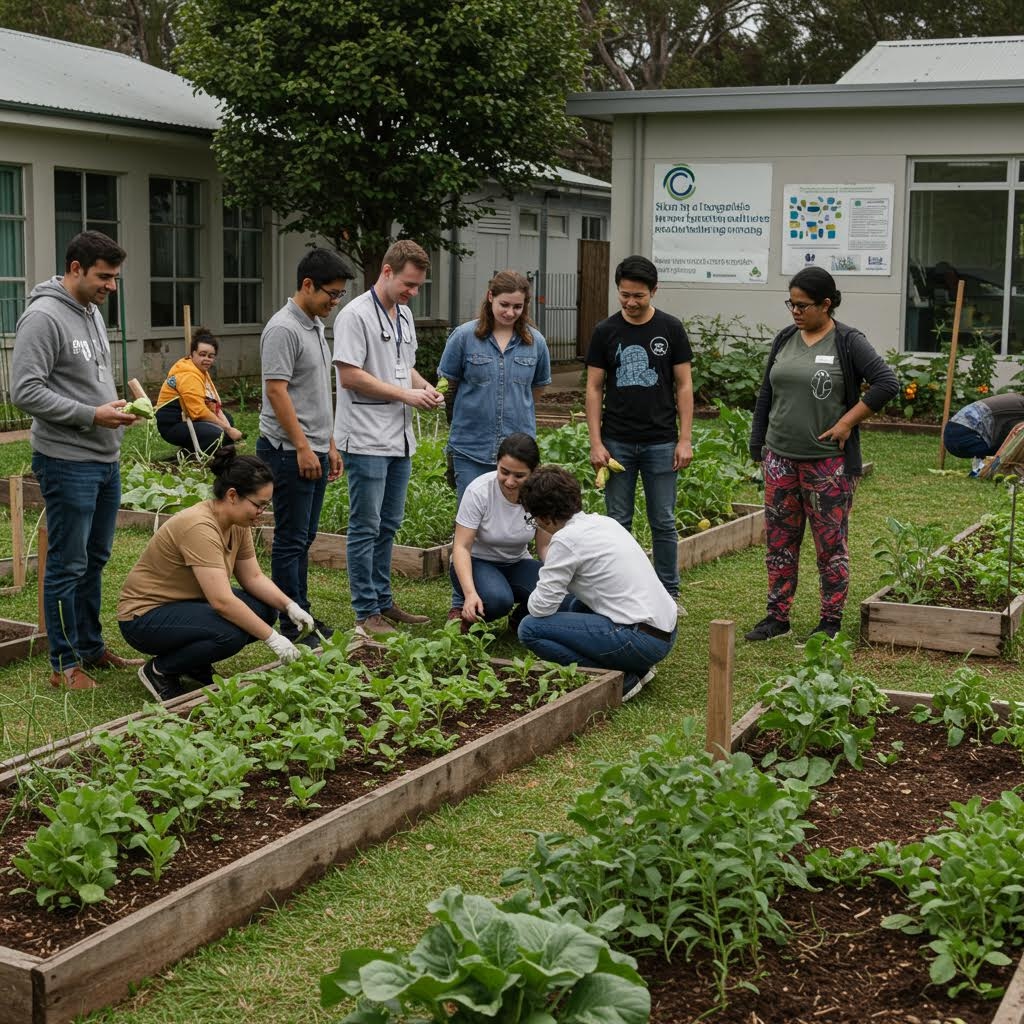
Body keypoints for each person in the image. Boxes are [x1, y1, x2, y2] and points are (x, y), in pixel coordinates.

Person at [11, 230, 143, 690]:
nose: (111, 286)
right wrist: (91, 414)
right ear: (75, 269)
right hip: (67, 460)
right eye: (104, 277)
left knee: (95, 557)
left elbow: (85, 380)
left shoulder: (90, 313)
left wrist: (116, 410)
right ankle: (63, 664)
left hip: (104, 458)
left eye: (114, 278)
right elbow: (24, 390)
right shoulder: (43, 317)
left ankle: (89, 646)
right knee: (68, 563)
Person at [746, 266, 898, 644]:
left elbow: (886, 383)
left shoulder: (848, 341)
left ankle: (830, 620)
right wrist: (758, 442)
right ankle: (777, 617)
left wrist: (847, 422)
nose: (795, 311)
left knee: (829, 545)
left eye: (803, 305)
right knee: (780, 542)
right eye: (791, 304)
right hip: (780, 458)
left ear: (826, 304)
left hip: (827, 464)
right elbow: (768, 393)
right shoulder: (785, 339)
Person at [118, 447, 310, 702]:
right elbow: (221, 601)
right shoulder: (199, 526)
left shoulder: (236, 522)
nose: (261, 512)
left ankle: (193, 663)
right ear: (233, 495)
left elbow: (253, 578)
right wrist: (273, 639)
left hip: (184, 605)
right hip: (144, 618)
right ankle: (159, 671)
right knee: (229, 633)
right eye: (259, 505)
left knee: (265, 609)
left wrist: (290, 606)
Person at [333, 240, 445, 638]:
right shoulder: (354, 316)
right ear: (386, 271)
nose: (412, 292)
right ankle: (365, 613)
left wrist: (425, 388)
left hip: (399, 438)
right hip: (364, 438)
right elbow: (350, 375)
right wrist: (407, 395)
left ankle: (383, 601)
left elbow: (405, 368)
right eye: (408, 284)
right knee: (365, 525)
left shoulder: (404, 316)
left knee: (389, 524)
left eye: (417, 286)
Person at [516, 465, 678, 701]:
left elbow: (540, 608)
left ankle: (620, 678)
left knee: (530, 628)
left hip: (640, 640)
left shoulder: (565, 540)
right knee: (575, 605)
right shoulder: (603, 522)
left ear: (544, 517)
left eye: (533, 519)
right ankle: (639, 668)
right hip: (666, 630)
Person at [257, 248, 353, 643]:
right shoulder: (283, 328)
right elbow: (277, 392)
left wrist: (327, 442)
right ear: (307, 285)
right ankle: (292, 622)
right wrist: (302, 447)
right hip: (286, 451)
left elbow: (315, 393)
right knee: (291, 539)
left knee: (305, 537)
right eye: (331, 294)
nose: (334, 302)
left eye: (340, 296)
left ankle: (303, 613)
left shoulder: (313, 325)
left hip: (311, 447)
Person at [585, 254, 694, 601]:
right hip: (616, 441)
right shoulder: (605, 331)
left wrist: (685, 439)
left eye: (639, 296)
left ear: (654, 291)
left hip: (661, 442)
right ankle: (622, 590)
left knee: (663, 520)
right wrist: (596, 442)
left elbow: (684, 386)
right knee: (618, 521)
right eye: (624, 295)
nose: (631, 303)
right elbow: (593, 388)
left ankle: (668, 593)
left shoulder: (670, 328)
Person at [437, 271, 551, 501]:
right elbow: (448, 386)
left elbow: (537, 389)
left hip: (518, 452)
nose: (510, 313)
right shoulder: (463, 337)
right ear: (490, 297)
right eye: (504, 305)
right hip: (470, 447)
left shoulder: (536, 342)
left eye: (517, 307)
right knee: (470, 519)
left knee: (516, 520)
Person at [448, 433, 549, 631]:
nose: (510, 481)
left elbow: (544, 546)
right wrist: (469, 593)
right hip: (477, 562)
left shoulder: (540, 495)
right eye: (504, 472)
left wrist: (558, 574)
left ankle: (521, 618)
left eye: (519, 476)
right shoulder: (479, 491)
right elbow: (461, 546)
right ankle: (467, 614)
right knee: (498, 600)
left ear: (534, 471)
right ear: (497, 464)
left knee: (559, 592)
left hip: (517, 562)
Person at [156, 326, 242, 454]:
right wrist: (228, 430)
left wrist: (227, 426)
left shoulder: (199, 370)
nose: (207, 359)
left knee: (227, 418)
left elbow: (213, 405)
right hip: (172, 425)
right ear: (192, 354)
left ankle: (194, 448)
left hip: (187, 418)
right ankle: (193, 454)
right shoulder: (188, 374)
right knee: (218, 434)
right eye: (202, 355)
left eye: (211, 356)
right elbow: (199, 412)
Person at [943, 393, 1024, 460]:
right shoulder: (1020, 405)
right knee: (1011, 444)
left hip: (950, 436)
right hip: (965, 437)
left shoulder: (1015, 399)